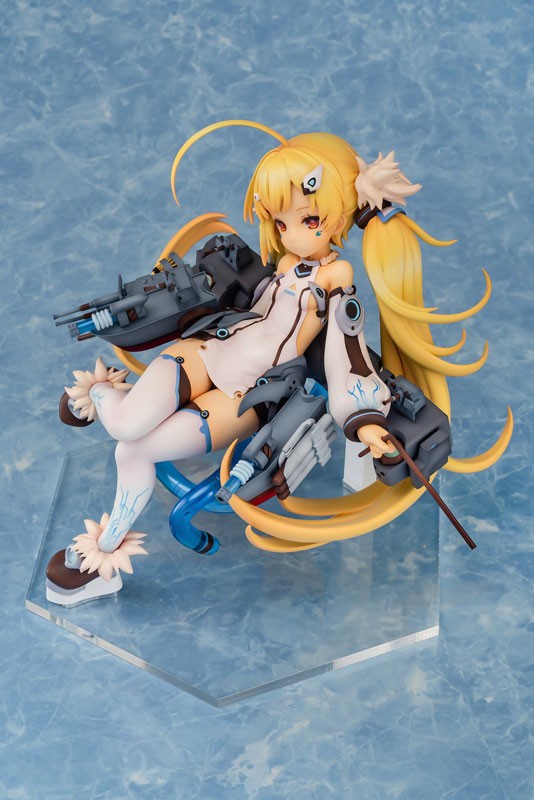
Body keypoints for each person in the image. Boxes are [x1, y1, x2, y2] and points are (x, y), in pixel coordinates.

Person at [46, 121, 512, 603]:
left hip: (246, 393)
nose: (290, 235)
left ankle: (102, 556)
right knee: (125, 424)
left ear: (337, 216)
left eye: (308, 220)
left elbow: (345, 352)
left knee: (132, 451)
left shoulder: (336, 279)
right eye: (280, 222)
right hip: (208, 348)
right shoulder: (285, 264)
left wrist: (365, 419)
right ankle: (99, 392)